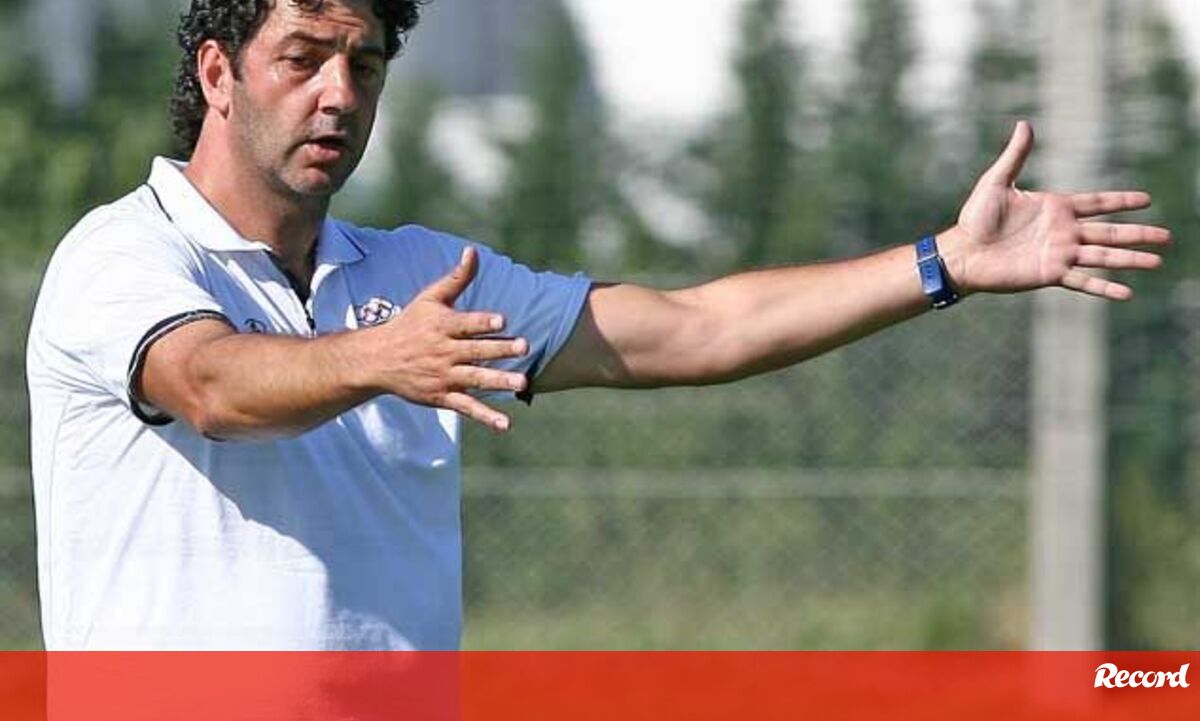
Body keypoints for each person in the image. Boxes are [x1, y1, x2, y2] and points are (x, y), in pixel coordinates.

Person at [25, 0, 1171, 651]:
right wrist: (384, 356)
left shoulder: (419, 275)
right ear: (218, 72)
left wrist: (943, 264)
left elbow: (693, 329)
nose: (339, 92)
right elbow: (213, 386)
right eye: (304, 57)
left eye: (363, 63)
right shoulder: (123, 257)